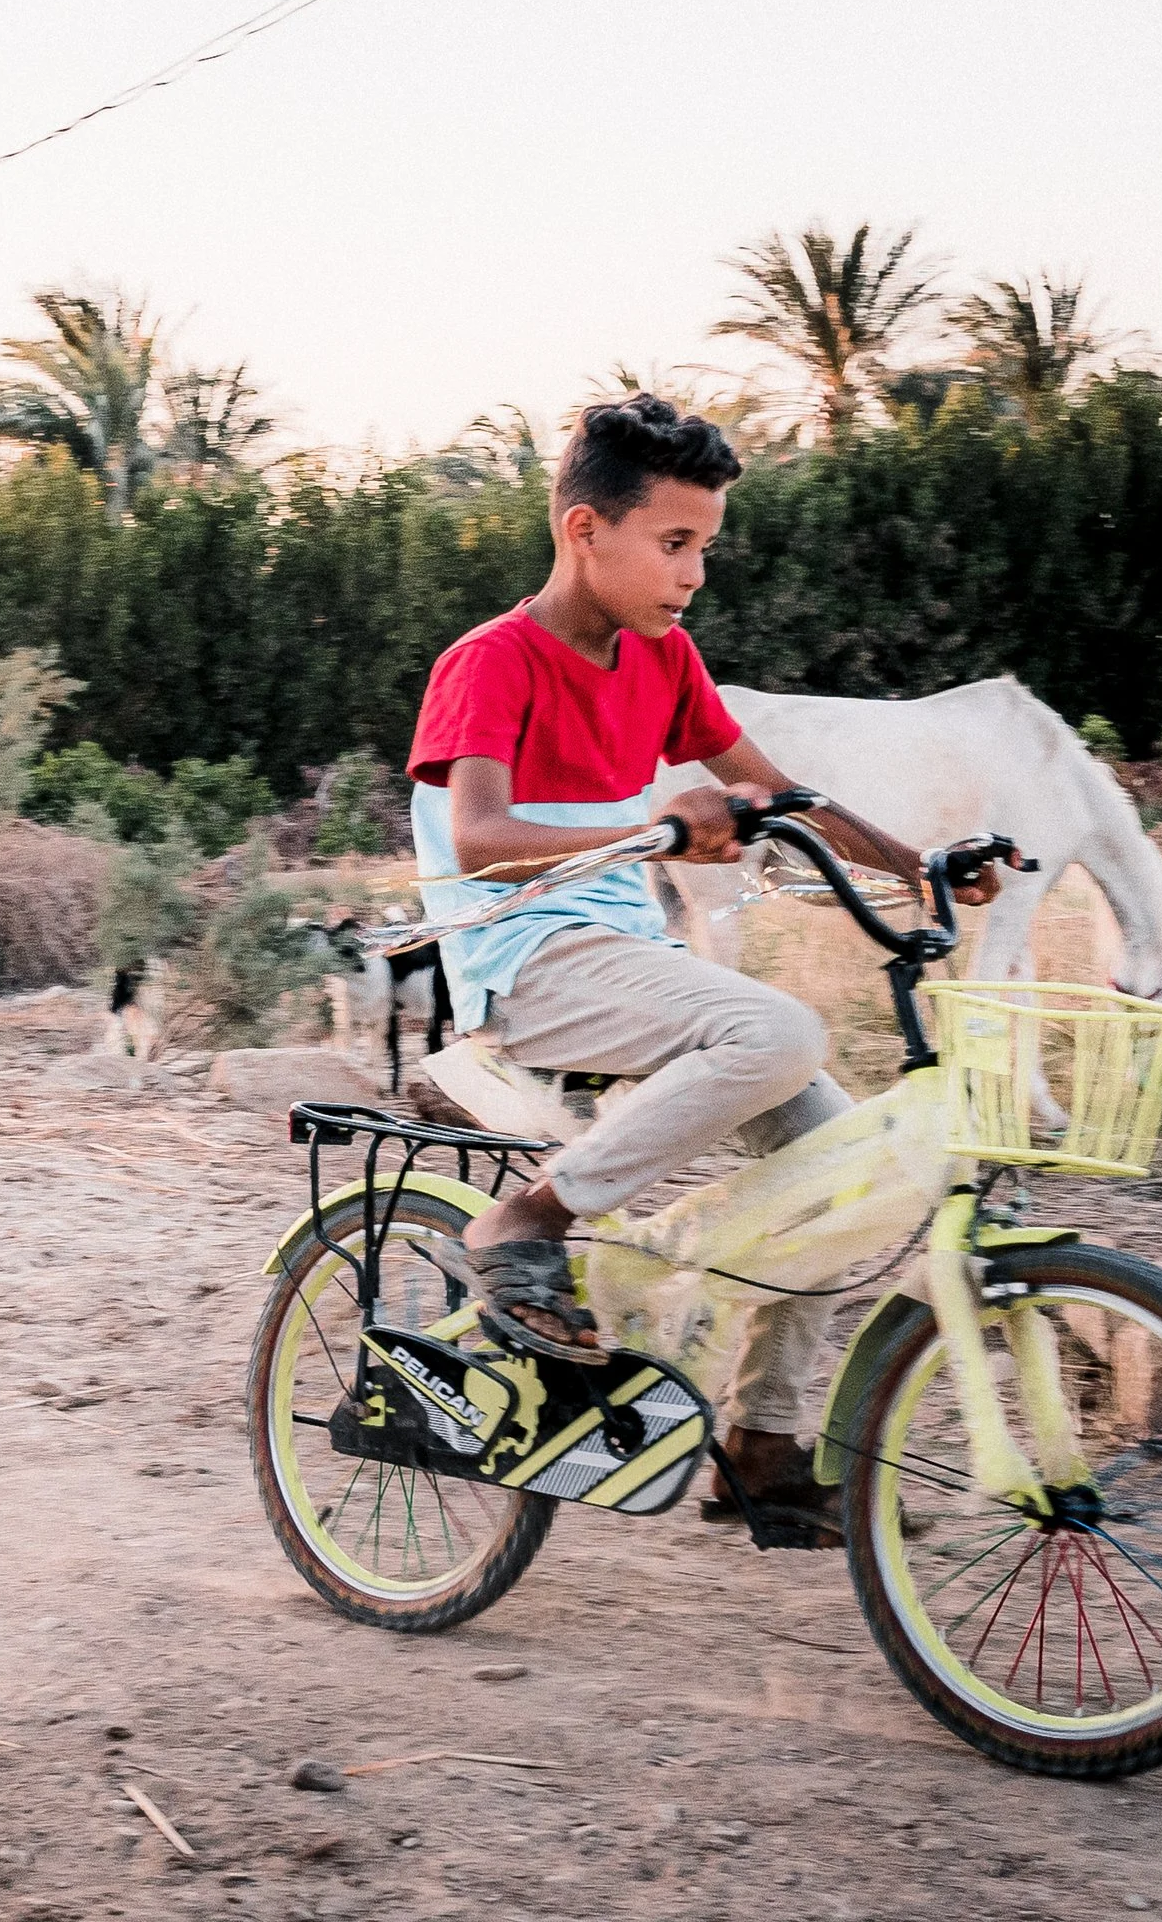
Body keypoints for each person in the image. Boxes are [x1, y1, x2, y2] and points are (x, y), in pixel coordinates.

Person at [404, 394, 998, 1544]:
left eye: (705, 547)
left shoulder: (662, 658)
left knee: (844, 1170)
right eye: (674, 542)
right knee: (779, 1031)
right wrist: (657, 829)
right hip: (526, 960)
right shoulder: (490, 662)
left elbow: (778, 792)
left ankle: (761, 1450)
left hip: (627, 959)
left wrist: (921, 866)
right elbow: (476, 839)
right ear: (584, 529)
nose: (694, 573)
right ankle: (528, 1218)